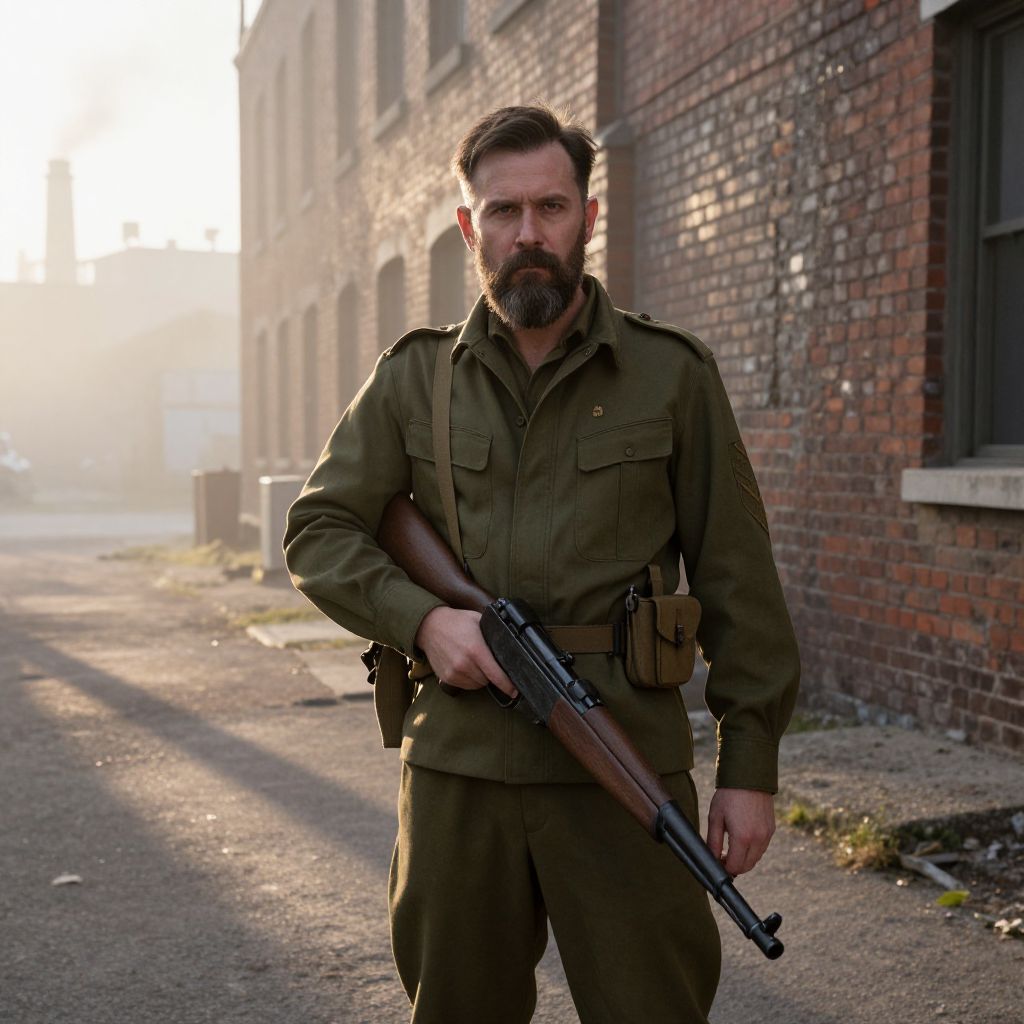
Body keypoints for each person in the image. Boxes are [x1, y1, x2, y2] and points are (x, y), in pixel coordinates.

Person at [284, 104, 800, 1024]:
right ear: (467, 226)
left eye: (552, 208)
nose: (530, 233)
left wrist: (750, 765)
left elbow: (738, 576)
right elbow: (318, 530)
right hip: (460, 777)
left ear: (589, 218)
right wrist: (422, 619)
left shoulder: (669, 375)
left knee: (655, 1007)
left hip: (625, 759)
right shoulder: (412, 379)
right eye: (504, 211)